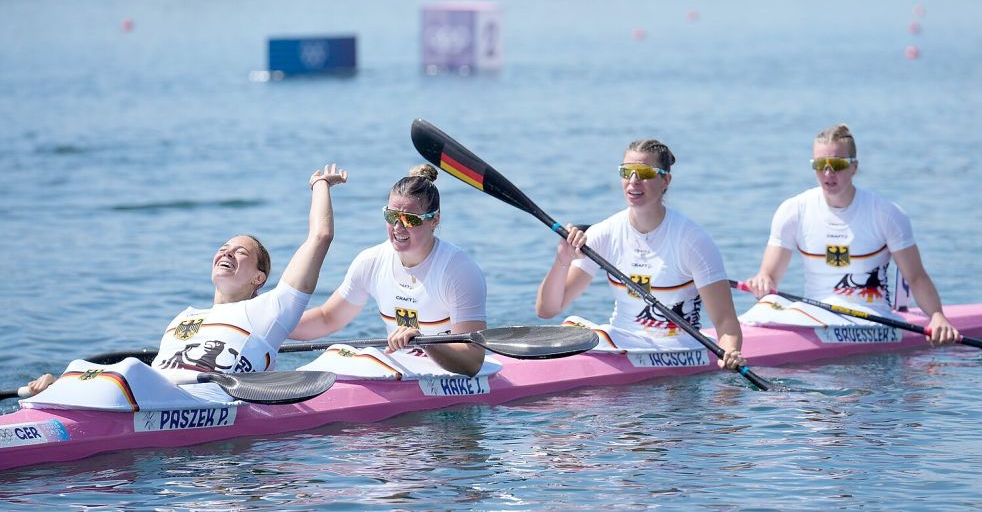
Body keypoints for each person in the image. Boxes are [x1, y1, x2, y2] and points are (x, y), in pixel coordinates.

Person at [25, 163, 349, 396]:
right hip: (148, 396)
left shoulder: (271, 310)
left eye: (240, 253)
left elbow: (320, 236)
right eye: (223, 248)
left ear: (258, 278)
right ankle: (58, 390)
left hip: (198, 401)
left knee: (129, 369)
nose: (226, 253)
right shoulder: (184, 317)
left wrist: (319, 184)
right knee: (83, 367)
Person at [535, 138, 747, 371]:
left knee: (590, 334)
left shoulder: (692, 241)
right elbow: (547, 310)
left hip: (680, 349)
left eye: (644, 172)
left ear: (665, 179)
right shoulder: (604, 233)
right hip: (620, 342)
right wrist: (562, 262)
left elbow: (725, 322)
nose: (633, 181)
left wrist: (730, 353)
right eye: (626, 172)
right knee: (570, 327)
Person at [742, 123, 959, 345]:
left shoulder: (886, 214)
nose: (828, 173)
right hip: (814, 311)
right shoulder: (792, 210)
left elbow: (916, 277)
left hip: (871, 316)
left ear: (854, 167)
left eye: (836, 164)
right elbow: (769, 276)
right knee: (764, 307)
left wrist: (937, 316)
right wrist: (761, 282)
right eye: (819, 165)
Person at [289, 164, 486, 377]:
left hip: (449, 374)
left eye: (410, 219)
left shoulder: (459, 271)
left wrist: (424, 342)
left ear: (434, 219)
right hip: (399, 369)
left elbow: (473, 361)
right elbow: (327, 318)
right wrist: (273, 324)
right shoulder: (371, 261)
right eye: (392, 217)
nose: (398, 228)